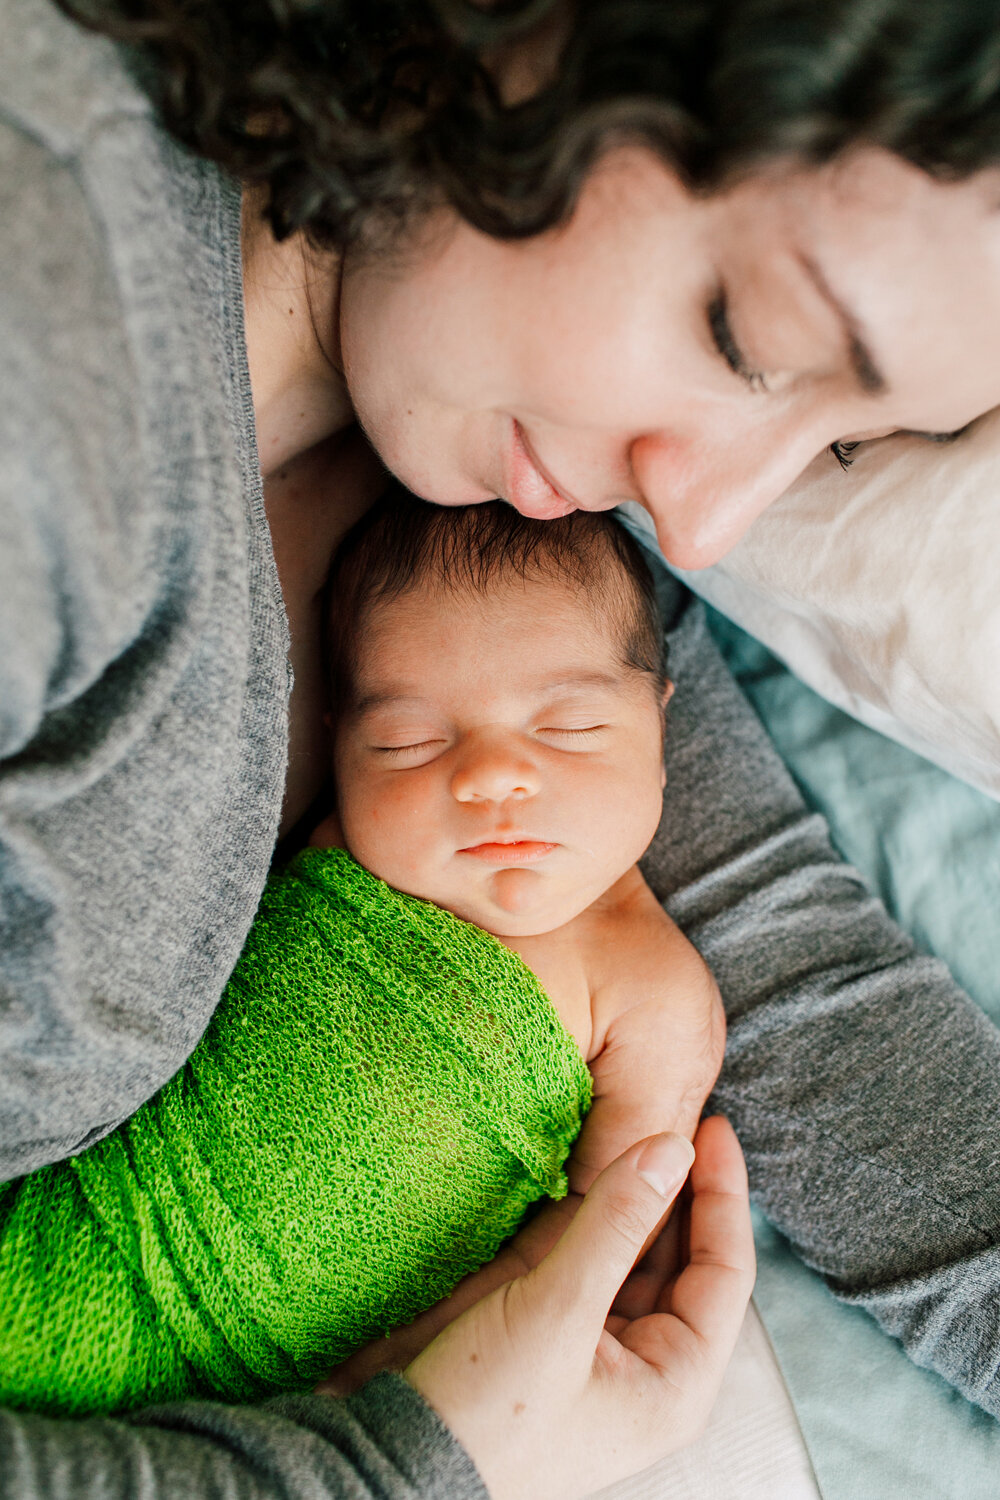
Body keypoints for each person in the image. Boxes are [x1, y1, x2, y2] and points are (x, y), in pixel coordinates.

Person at [4, 0, 1000, 1495]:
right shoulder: (52, 346)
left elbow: (794, 984)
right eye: (746, 337)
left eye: (838, 450)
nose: (711, 517)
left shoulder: (496, 519)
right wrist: (412, 1461)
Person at [0, 497, 728, 1422]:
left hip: (253, 1380)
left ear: (661, 725)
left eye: (569, 727)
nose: (489, 777)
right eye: (407, 743)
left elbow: (580, 1250)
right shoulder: (335, 848)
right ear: (337, 744)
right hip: (79, 1186)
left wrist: (388, 1379)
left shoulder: (657, 995)